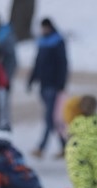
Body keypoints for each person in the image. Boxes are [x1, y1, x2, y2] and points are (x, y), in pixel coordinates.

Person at [27, 17, 68, 159]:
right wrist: (31, 80)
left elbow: (63, 64)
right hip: (43, 85)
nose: (43, 30)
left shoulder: (57, 42)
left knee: (50, 118)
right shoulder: (42, 42)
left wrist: (61, 84)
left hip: (53, 85)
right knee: (54, 118)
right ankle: (65, 146)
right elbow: (37, 62)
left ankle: (41, 147)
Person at [0, 11, 18, 130]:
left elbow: (12, 59)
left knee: (3, 104)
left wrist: (7, 78)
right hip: (0, 77)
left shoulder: (5, 37)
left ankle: (5, 126)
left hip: (4, 77)